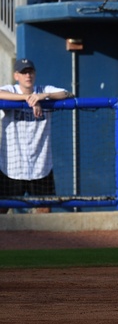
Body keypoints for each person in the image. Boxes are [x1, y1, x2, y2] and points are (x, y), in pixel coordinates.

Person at [0, 58, 73, 214]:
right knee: (2, 210)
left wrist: (42, 96)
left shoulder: (44, 89)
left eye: (30, 72)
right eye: (23, 72)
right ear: (16, 76)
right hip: (12, 167)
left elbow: (68, 93)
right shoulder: (10, 90)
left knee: (44, 212)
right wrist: (27, 99)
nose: (28, 76)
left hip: (40, 166)